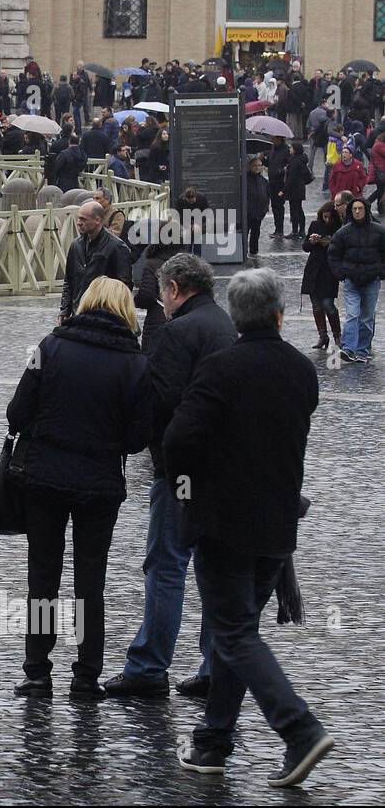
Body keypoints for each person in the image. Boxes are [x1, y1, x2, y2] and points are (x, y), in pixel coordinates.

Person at [166, 268, 333, 788]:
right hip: (278, 524)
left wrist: (187, 491)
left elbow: (177, 441)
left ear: (236, 317)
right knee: (236, 632)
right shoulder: (301, 371)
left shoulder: (222, 369)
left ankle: (299, 727)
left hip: (224, 522)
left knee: (233, 632)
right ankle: (214, 742)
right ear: (279, 313)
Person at [6, 278, 154, 699]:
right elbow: (137, 439)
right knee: (91, 581)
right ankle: (86, 676)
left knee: (43, 577)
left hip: (44, 478)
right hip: (99, 484)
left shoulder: (51, 347)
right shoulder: (136, 363)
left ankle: (37, 672)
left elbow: (17, 412)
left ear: (86, 303)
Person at [104, 255, 235, 699]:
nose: (161, 301)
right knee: (214, 570)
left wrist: (140, 443)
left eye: (162, 293)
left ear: (175, 288)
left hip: (181, 469)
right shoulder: (224, 324)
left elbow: (161, 400)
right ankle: (215, 664)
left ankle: (148, 665)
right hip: (223, 467)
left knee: (166, 565)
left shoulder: (177, 332)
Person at [328, 197, 385, 363]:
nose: (358, 212)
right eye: (355, 209)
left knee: (367, 317)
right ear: (351, 211)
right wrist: (340, 273)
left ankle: (362, 350)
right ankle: (348, 349)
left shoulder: (379, 231)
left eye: (360, 209)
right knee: (352, 314)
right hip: (351, 279)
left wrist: (381, 272)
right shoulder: (343, 232)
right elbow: (333, 254)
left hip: (371, 279)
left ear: (366, 210)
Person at [59, 201, 133, 324]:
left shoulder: (117, 246)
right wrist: (64, 310)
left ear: (97, 220)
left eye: (83, 219)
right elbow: (69, 281)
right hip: (78, 312)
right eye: (78, 218)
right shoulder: (75, 245)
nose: (78, 223)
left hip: (104, 315)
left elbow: (124, 286)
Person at [302, 201, 342, 351]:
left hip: (329, 271)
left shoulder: (339, 227)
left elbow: (340, 248)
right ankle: (323, 335)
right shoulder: (315, 224)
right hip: (313, 270)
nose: (326, 220)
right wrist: (312, 241)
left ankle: (337, 335)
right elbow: (305, 247)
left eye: (329, 217)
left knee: (328, 304)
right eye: (324, 216)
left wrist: (327, 242)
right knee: (316, 305)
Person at [264, 136, 291, 241]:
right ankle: (277, 229)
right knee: (275, 206)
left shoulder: (286, 150)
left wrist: (282, 170)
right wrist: (263, 159)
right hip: (272, 182)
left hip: (281, 183)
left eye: (274, 139)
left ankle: (280, 230)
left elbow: (289, 165)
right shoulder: (272, 149)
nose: (272, 140)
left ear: (279, 139)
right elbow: (269, 164)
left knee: (279, 206)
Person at [284, 142, 313, 240]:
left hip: (295, 189)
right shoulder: (299, 159)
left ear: (295, 149)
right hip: (299, 188)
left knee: (296, 210)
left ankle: (296, 231)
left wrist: (284, 190)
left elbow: (291, 178)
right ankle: (300, 230)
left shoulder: (295, 161)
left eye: (291, 148)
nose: (289, 149)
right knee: (298, 209)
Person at [243, 155, 270, 258]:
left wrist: (265, 207)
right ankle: (243, 251)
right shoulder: (244, 179)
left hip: (259, 211)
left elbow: (267, 195)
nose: (257, 168)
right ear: (250, 166)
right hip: (248, 212)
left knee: (256, 232)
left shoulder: (263, 180)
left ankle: (254, 251)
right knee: (245, 232)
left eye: (259, 165)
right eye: (255, 166)